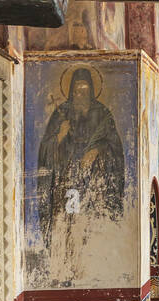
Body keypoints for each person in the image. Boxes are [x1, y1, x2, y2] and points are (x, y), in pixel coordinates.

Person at [37, 66, 125, 243]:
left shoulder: (103, 114)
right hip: (68, 181)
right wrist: (60, 136)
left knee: (92, 226)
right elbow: (45, 150)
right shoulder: (61, 113)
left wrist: (97, 151)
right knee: (70, 224)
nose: (81, 95)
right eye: (77, 91)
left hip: (95, 182)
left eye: (85, 91)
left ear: (92, 91)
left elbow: (115, 149)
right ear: (71, 91)